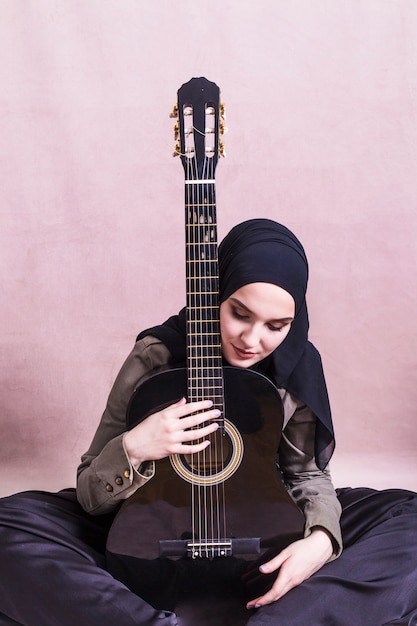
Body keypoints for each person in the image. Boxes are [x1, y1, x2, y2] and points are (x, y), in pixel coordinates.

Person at [0, 218, 416, 626]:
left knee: (409, 517)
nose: (253, 340)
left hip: (266, 527)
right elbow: (92, 492)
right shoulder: (156, 355)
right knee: (9, 526)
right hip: (144, 527)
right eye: (239, 313)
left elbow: (306, 474)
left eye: (276, 326)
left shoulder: (296, 366)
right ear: (216, 293)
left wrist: (321, 542)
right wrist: (135, 447)